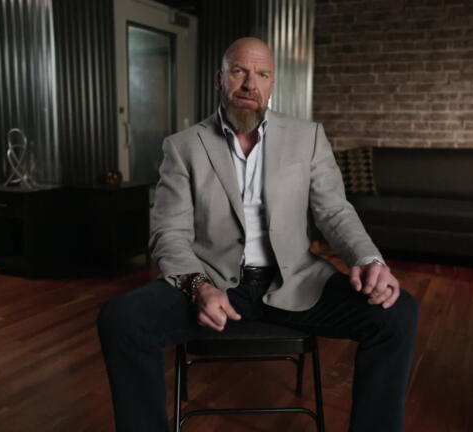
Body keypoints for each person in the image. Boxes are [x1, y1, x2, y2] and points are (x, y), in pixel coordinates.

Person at [97, 37, 419, 432]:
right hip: (212, 284)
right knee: (121, 319)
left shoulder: (308, 137)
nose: (250, 84)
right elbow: (168, 233)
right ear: (220, 79)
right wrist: (198, 286)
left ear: (272, 84)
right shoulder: (183, 147)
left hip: (296, 283)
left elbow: (334, 211)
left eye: (262, 74)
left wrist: (368, 260)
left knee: (397, 313)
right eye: (239, 71)